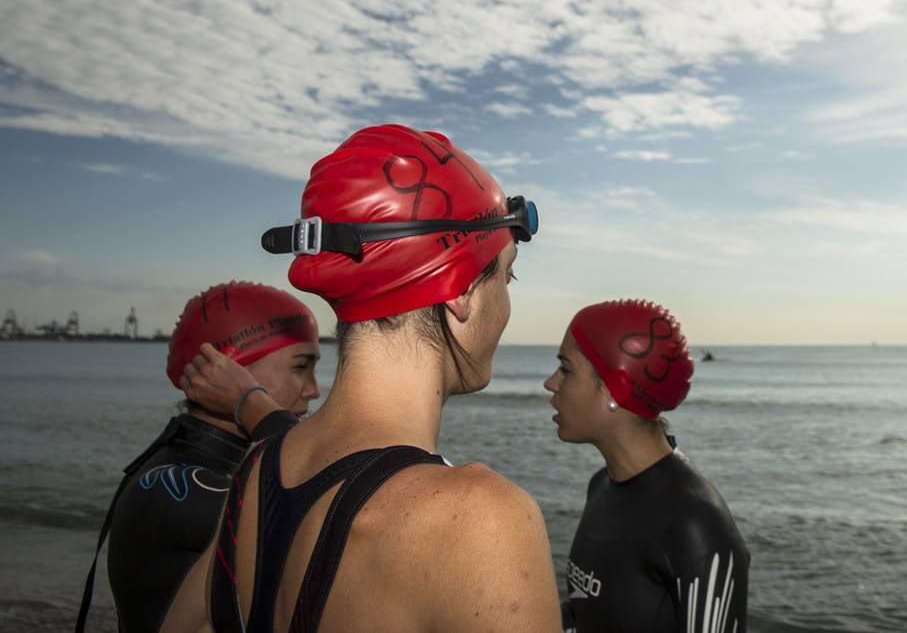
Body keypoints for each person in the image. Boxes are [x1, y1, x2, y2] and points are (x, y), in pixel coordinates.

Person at [160, 124, 559, 633]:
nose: (506, 306)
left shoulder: (257, 473)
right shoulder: (478, 521)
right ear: (459, 288)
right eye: (508, 276)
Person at [76, 282, 321, 633]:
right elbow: (322, 497)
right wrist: (252, 404)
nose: (313, 388)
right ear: (229, 372)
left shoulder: (197, 463)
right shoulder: (187, 488)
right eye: (301, 367)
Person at [544, 299, 749, 633]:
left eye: (566, 369)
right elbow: (592, 613)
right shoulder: (602, 486)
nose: (550, 383)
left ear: (618, 389)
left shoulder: (695, 524)